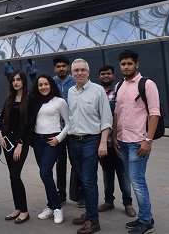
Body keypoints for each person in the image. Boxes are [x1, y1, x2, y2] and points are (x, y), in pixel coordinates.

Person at [113, 50, 160, 234]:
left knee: (137, 181)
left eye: (129, 63)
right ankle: (144, 217)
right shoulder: (119, 86)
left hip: (138, 142)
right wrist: (114, 136)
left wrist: (148, 140)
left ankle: (146, 221)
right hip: (122, 141)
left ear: (136, 65)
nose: (126, 66)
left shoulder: (147, 84)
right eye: (123, 64)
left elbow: (155, 113)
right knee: (135, 180)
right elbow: (116, 113)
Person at [68, 59, 113, 234]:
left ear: (88, 71)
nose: (79, 73)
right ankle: (89, 213)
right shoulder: (71, 92)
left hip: (91, 141)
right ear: (72, 74)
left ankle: (93, 221)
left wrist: (103, 143)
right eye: (76, 71)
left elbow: (106, 120)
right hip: (73, 141)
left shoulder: (98, 91)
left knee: (88, 180)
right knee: (83, 179)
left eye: (82, 70)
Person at [29, 74, 70, 225]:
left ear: (51, 84)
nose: (43, 87)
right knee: (45, 175)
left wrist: (59, 138)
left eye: (46, 84)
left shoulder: (59, 101)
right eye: (40, 85)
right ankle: (51, 206)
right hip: (37, 141)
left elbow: (68, 123)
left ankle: (58, 208)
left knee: (44, 173)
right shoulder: (34, 101)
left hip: (53, 140)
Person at [97, 65, 136, 218]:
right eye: (102, 74)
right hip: (103, 142)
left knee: (123, 172)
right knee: (107, 172)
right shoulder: (97, 93)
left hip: (120, 140)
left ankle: (128, 203)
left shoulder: (119, 91)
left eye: (108, 73)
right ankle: (108, 201)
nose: (105, 76)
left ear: (113, 75)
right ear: (99, 76)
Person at [0, 70, 31, 224]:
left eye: (18, 79)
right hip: (7, 141)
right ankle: (17, 208)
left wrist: (21, 144)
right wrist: (0, 135)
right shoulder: (9, 99)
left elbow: (29, 125)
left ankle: (24, 211)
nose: (16, 82)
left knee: (15, 175)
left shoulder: (29, 99)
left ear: (23, 81)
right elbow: (1, 118)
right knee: (12, 175)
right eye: (13, 80)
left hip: (20, 141)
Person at [51, 55, 79, 206]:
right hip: (57, 130)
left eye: (64, 66)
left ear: (68, 67)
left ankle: (79, 194)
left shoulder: (75, 81)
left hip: (74, 130)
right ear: (54, 68)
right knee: (60, 163)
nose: (61, 68)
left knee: (76, 162)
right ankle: (61, 194)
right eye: (58, 66)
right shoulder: (51, 83)